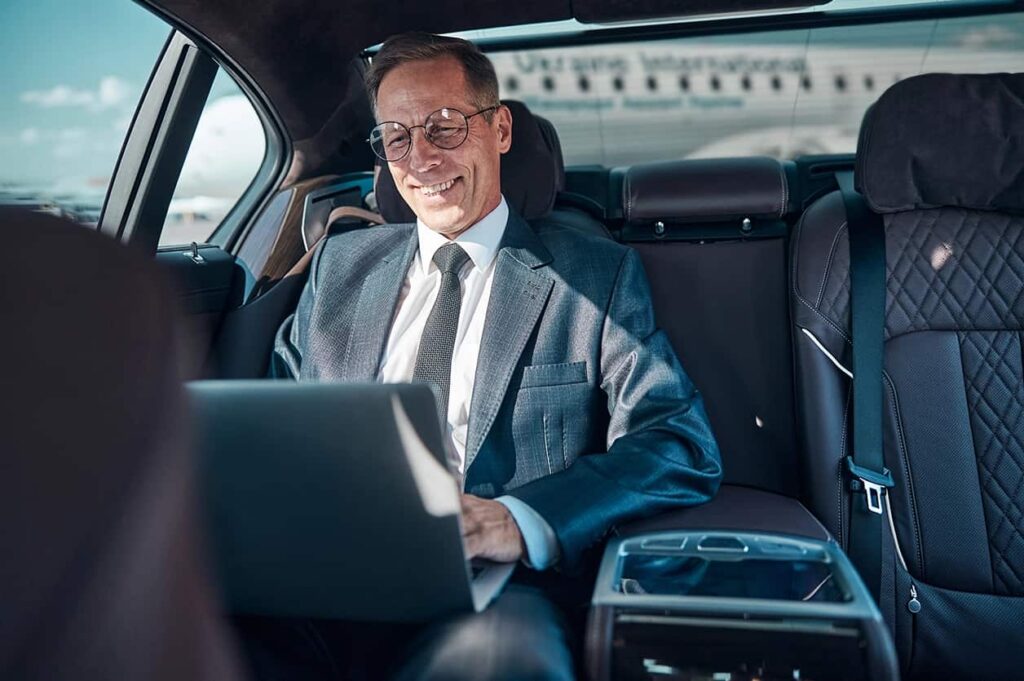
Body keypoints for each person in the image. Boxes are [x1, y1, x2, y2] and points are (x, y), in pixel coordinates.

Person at [265, 32, 722, 680]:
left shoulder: (593, 276)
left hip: (494, 593)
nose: (420, 158)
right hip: (325, 575)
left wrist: (519, 519)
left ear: (500, 129)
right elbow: (273, 417)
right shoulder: (339, 267)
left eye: (443, 127)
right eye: (397, 136)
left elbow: (678, 442)